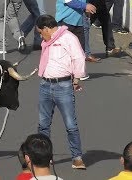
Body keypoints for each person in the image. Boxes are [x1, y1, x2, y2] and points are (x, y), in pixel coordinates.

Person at [36, 14, 86, 169]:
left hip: (63, 86)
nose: (40, 35)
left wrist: (76, 79)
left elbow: (79, 58)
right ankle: (45, 157)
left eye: (40, 32)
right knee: (43, 124)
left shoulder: (68, 38)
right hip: (45, 84)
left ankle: (77, 158)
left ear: (46, 29)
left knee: (71, 125)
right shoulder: (47, 40)